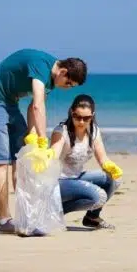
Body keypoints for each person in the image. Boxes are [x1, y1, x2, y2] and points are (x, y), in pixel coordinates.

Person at [0, 48, 87, 233]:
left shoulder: (51, 80)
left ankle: (24, 216)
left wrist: (33, 137)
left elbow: (31, 109)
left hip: (10, 104)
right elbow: (37, 105)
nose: (67, 88)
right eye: (68, 83)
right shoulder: (41, 67)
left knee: (20, 159)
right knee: (1, 162)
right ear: (63, 72)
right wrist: (43, 139)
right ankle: (4, 219)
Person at [49, 94, 123, 230]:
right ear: (72, 113)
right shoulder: (61, 132)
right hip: (58, 181)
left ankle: (92, 218)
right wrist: (45, 155)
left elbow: (103, 159)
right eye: (77, 117)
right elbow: (54, 152)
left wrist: (110, 166)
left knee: (114, 179)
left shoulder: (93, 131)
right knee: (98, 197)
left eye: (86, 118)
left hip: (76, 177)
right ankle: (54, 211)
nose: (81, 122)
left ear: (92, 116)